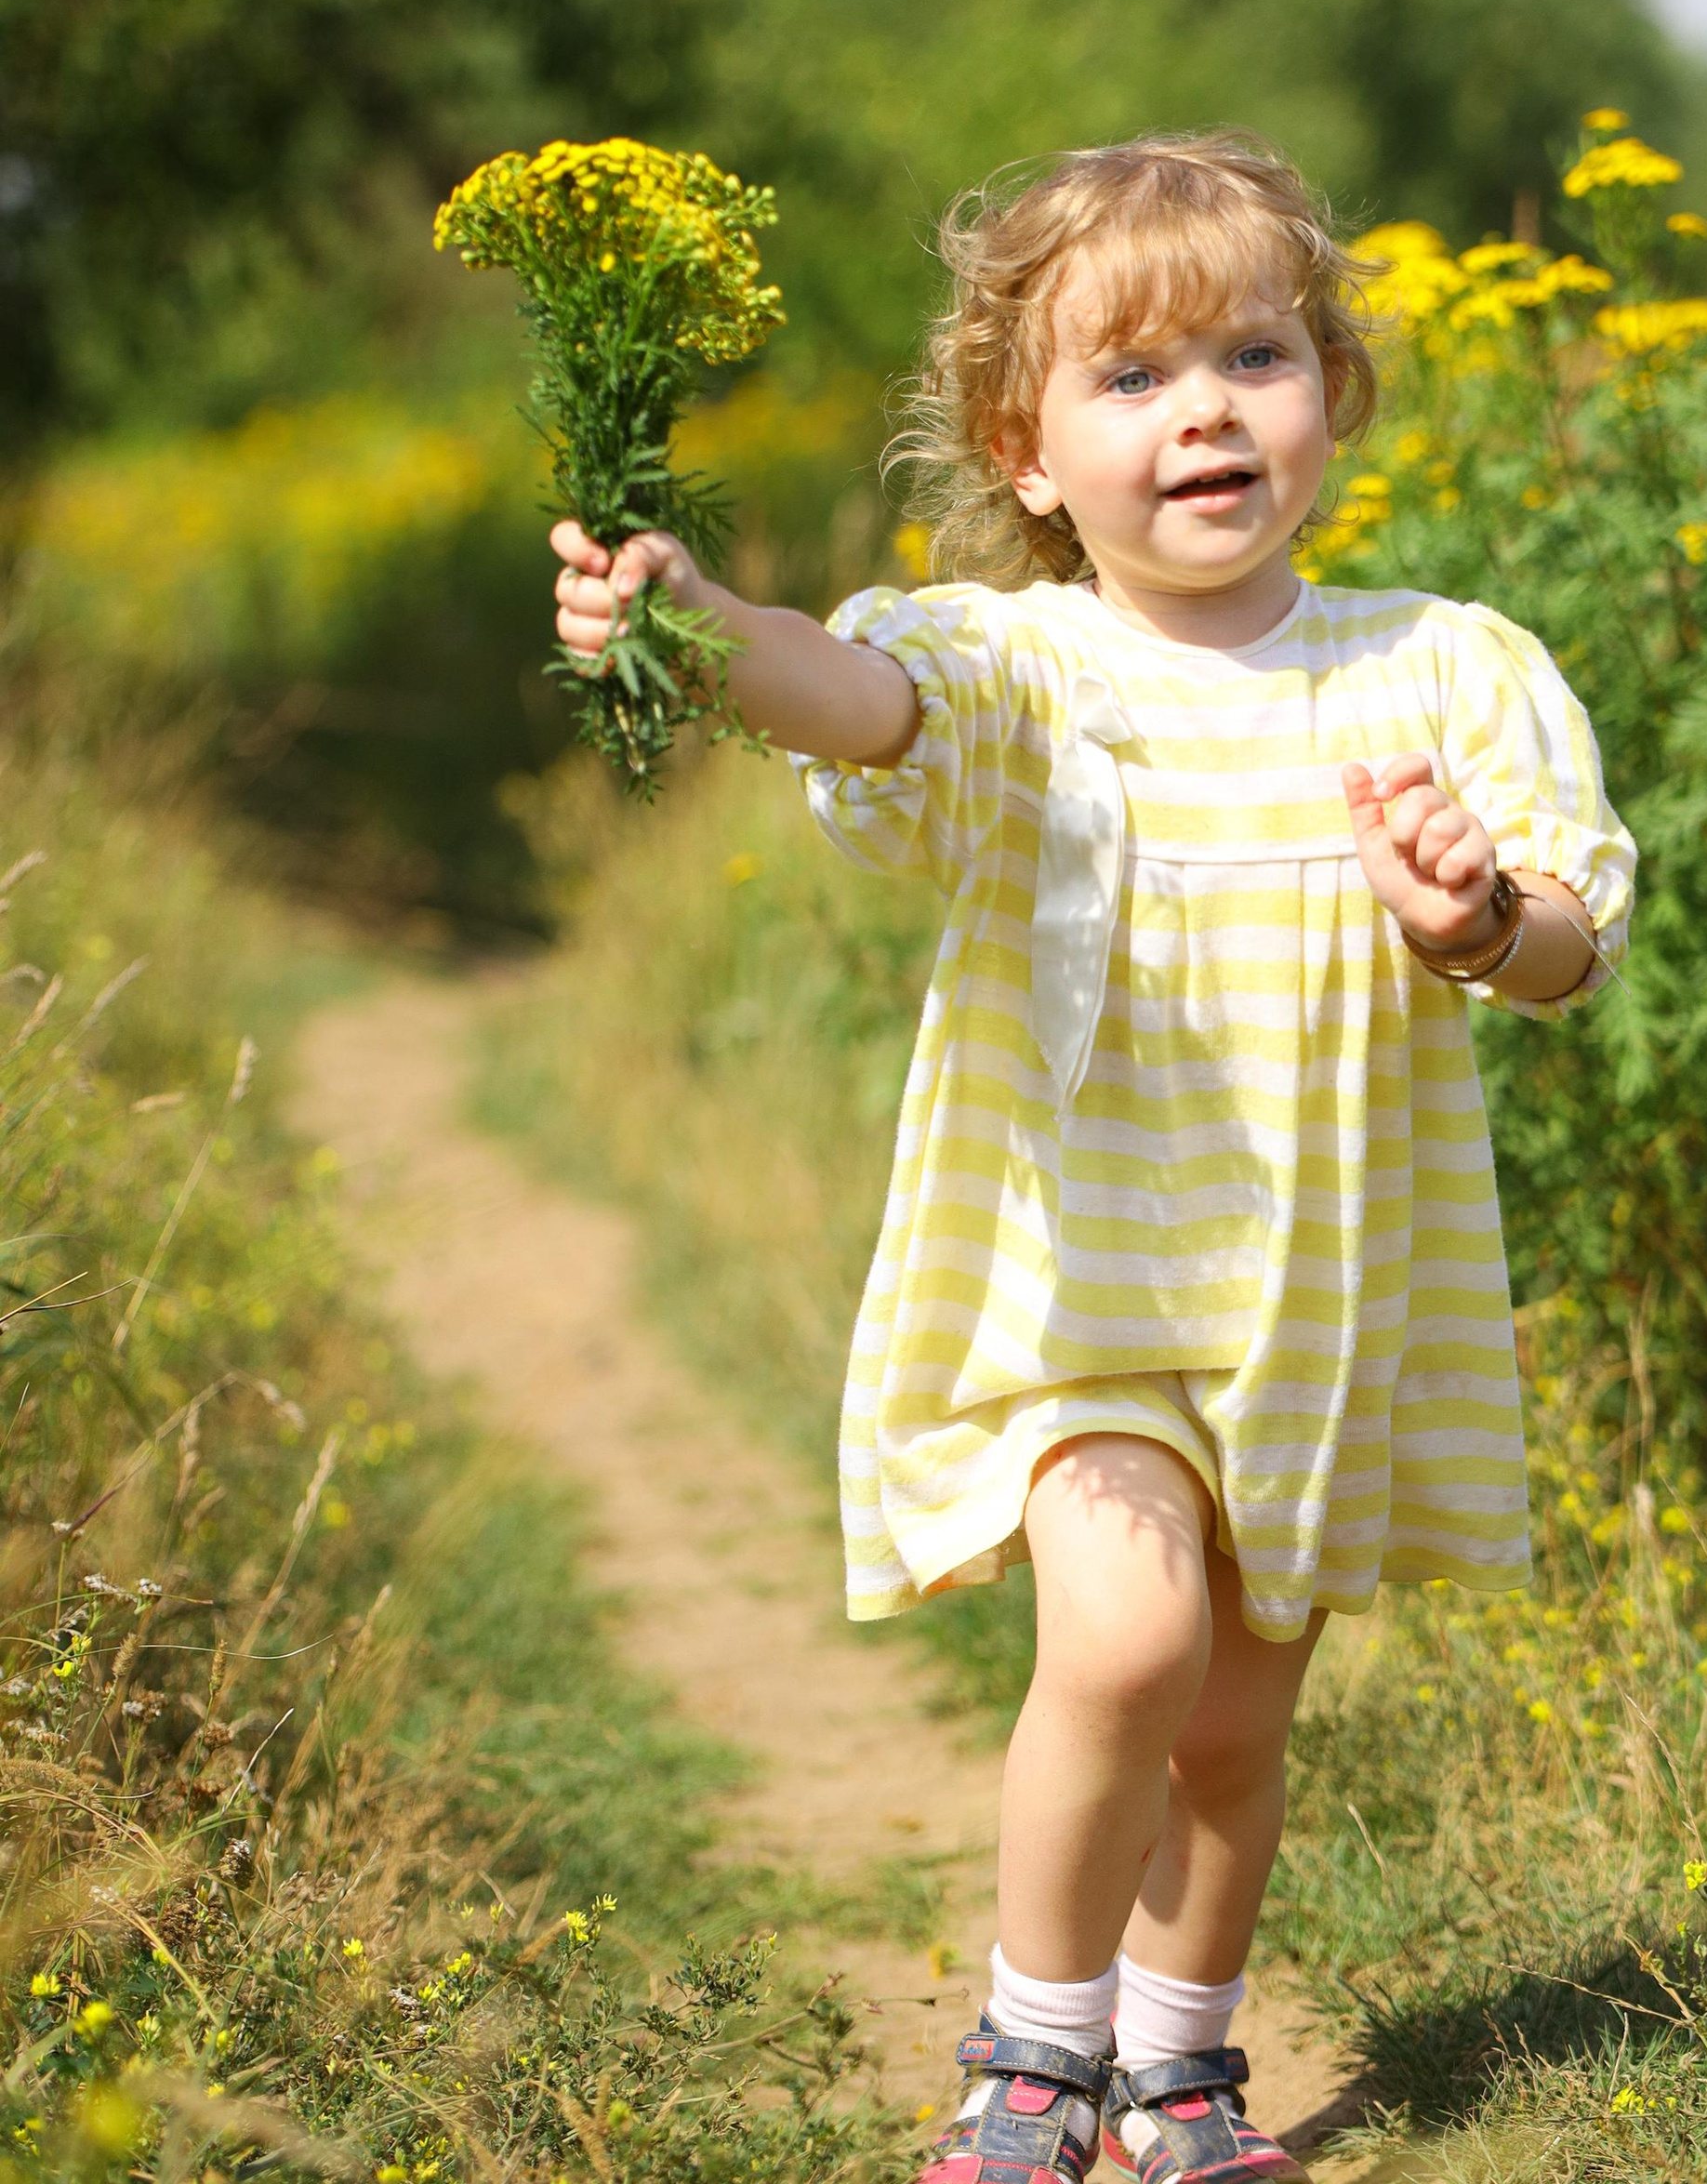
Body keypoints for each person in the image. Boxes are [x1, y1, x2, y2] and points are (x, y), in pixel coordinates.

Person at [546, 131, 1636, 2184]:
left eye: (1253, 350)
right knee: (1125, 1645)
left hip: (1311, 1301)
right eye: (1128, 377)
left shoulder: (1438, 668)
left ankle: (1183, 2066)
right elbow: (852, 696)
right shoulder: (1017, 665)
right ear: (1023, 449)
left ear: (1330, 388)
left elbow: (1568, 938)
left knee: (1230, 1729)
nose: (1204, 406)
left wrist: (1477, 917)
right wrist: (695, 620)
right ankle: (1033, 2057)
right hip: (1078, 1294)